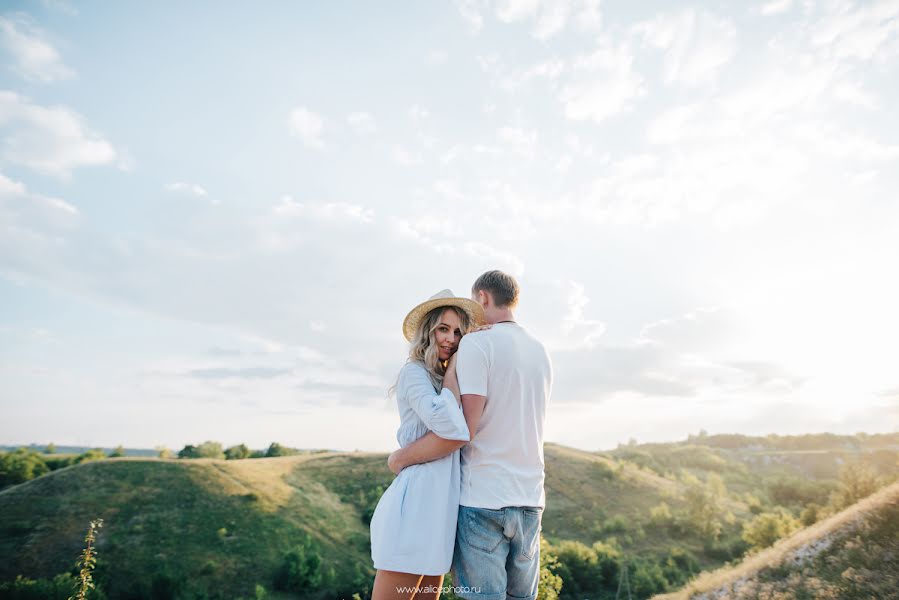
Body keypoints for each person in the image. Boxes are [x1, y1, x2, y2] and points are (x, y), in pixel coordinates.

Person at [388, 270, 553, 600]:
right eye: (445, 330)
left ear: (482, 297)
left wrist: (399, 457)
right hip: (530, 501)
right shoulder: (541, 350)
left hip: (483, 500)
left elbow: (462, 428)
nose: (455, 336)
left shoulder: (477, 344)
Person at [370, 289, 486, 600]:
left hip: (442, 511)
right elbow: (451, 428)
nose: (451, 338)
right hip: (416, 506)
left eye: (459, 332)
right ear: (428, 332)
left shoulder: (444, 377)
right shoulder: (414, 373)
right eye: (443, 329)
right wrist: (452, 376)